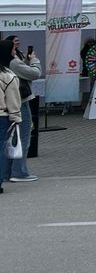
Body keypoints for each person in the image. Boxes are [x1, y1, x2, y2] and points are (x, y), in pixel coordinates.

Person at [3, 36, 40, 183]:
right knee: (22, 138)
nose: (15, 49)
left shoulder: (4, 63)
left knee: (9, 139)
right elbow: (34, 73)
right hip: (20, 102)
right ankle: (19, 171)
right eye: (13, 47)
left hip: (6, 105)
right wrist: (34, 60)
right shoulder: (13, 62)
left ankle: (7, 172)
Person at [0, 39, 25, 194]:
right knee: (1, 149)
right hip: (2, 116)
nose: (15, 52)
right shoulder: (8, 76)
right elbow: (13, 100)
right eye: (13, 49)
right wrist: (16, 118)